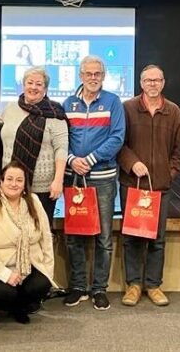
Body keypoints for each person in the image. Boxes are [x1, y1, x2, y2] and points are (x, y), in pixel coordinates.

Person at [62, 55, 125, 311]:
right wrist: (70, 160)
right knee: (73, 235)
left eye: (97, 73)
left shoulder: (113, 102)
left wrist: (88, 158)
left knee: (104, 237)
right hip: (74, 179)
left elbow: (118, 137)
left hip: (103, 181)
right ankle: (77, 286)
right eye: (88, 74)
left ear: (103, 76)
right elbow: (60, 138)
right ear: (80, 76)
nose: (93, 78)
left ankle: (99, 288)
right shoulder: (68, 104)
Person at [117, 65, 180, 307]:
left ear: (163, 83)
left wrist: (169, 173)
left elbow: (179, 150)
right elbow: (119, 144)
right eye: (148, 80)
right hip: (132, 185)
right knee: (132, 236)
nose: (152, 84)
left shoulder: (174, 111)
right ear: (141, 83)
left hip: (160, 187)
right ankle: (133, 285)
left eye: (157, 80)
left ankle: (154, 285)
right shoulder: (127, 109)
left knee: (158, 238)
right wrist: (132, 163)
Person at [0, 162, 56, 330]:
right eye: (9, 179)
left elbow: (46, 238)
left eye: (19, 180)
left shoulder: (34, 202)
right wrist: (4, 274)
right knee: (3, 292)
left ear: (25, 185)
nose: (14, 184)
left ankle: (17, 306)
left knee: (42, 284)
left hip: (27, 265)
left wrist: (47, 268)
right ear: (1, 182)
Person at [0, 66, 68, 227]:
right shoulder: (9, 110)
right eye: (30, 83)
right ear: (23, 85)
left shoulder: (54, 113)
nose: (33, 87)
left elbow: (61, 148)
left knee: (40, 232)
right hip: (12, 184)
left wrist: (58, 180)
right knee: (10, 231)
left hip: (43, 187)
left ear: (45, 89)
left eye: (39, 84)